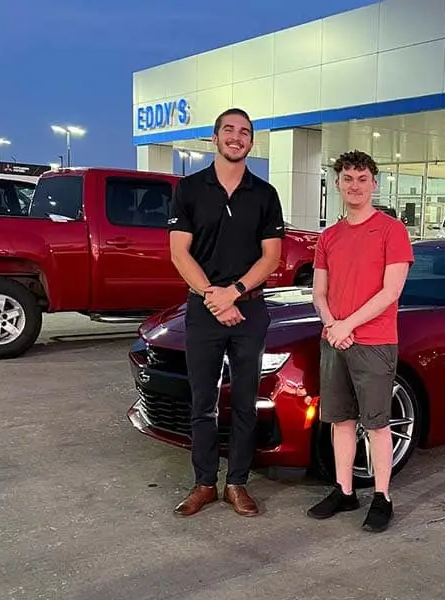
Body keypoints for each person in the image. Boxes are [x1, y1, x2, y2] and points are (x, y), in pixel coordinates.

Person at [167, 107, 285, 517]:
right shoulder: (189, 189)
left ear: (252, 142)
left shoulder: (265, 195)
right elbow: (178, 252)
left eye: (245, 132)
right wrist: (213, 297)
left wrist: (233, 293)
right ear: (214, 138)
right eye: (229, 130)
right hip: (203, 311)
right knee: (202, 402)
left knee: (246, 403)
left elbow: (272, 257)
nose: (237, 137)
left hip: (249, 311)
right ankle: (203, 483)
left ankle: (237, 483)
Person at [306, 150, 414, 532]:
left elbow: (391, 291)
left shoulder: (391, 230)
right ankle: (345, 490)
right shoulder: (329, 237)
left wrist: (346, 325)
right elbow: (319, 292)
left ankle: (382, 496)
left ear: (374, 183)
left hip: (374, 341)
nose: (355, 185)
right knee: (340, 421)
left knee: (378, 423)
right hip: (335, 340)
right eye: (347, 179)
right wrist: (333, 325)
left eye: (362, 178)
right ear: (337, 184)